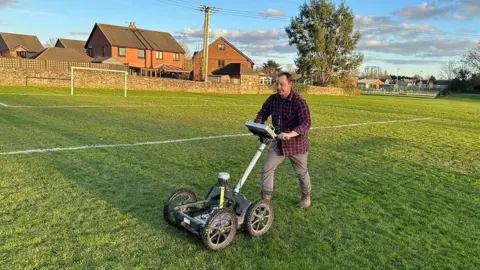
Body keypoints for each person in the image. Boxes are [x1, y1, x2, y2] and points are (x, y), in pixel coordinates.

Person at [254, 72, 312, 209]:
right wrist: (258, 125)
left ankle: (306, 198)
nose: (279, 87)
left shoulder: (299, 101)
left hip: (297, 144)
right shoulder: (273, 99)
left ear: (290, 84)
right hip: (278, 142)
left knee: (302, 173)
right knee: (267, 168)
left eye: (282, 84)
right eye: (277, 84)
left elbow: (306, 123)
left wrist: (291, 134)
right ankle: (266, 200)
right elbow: (262, 114)